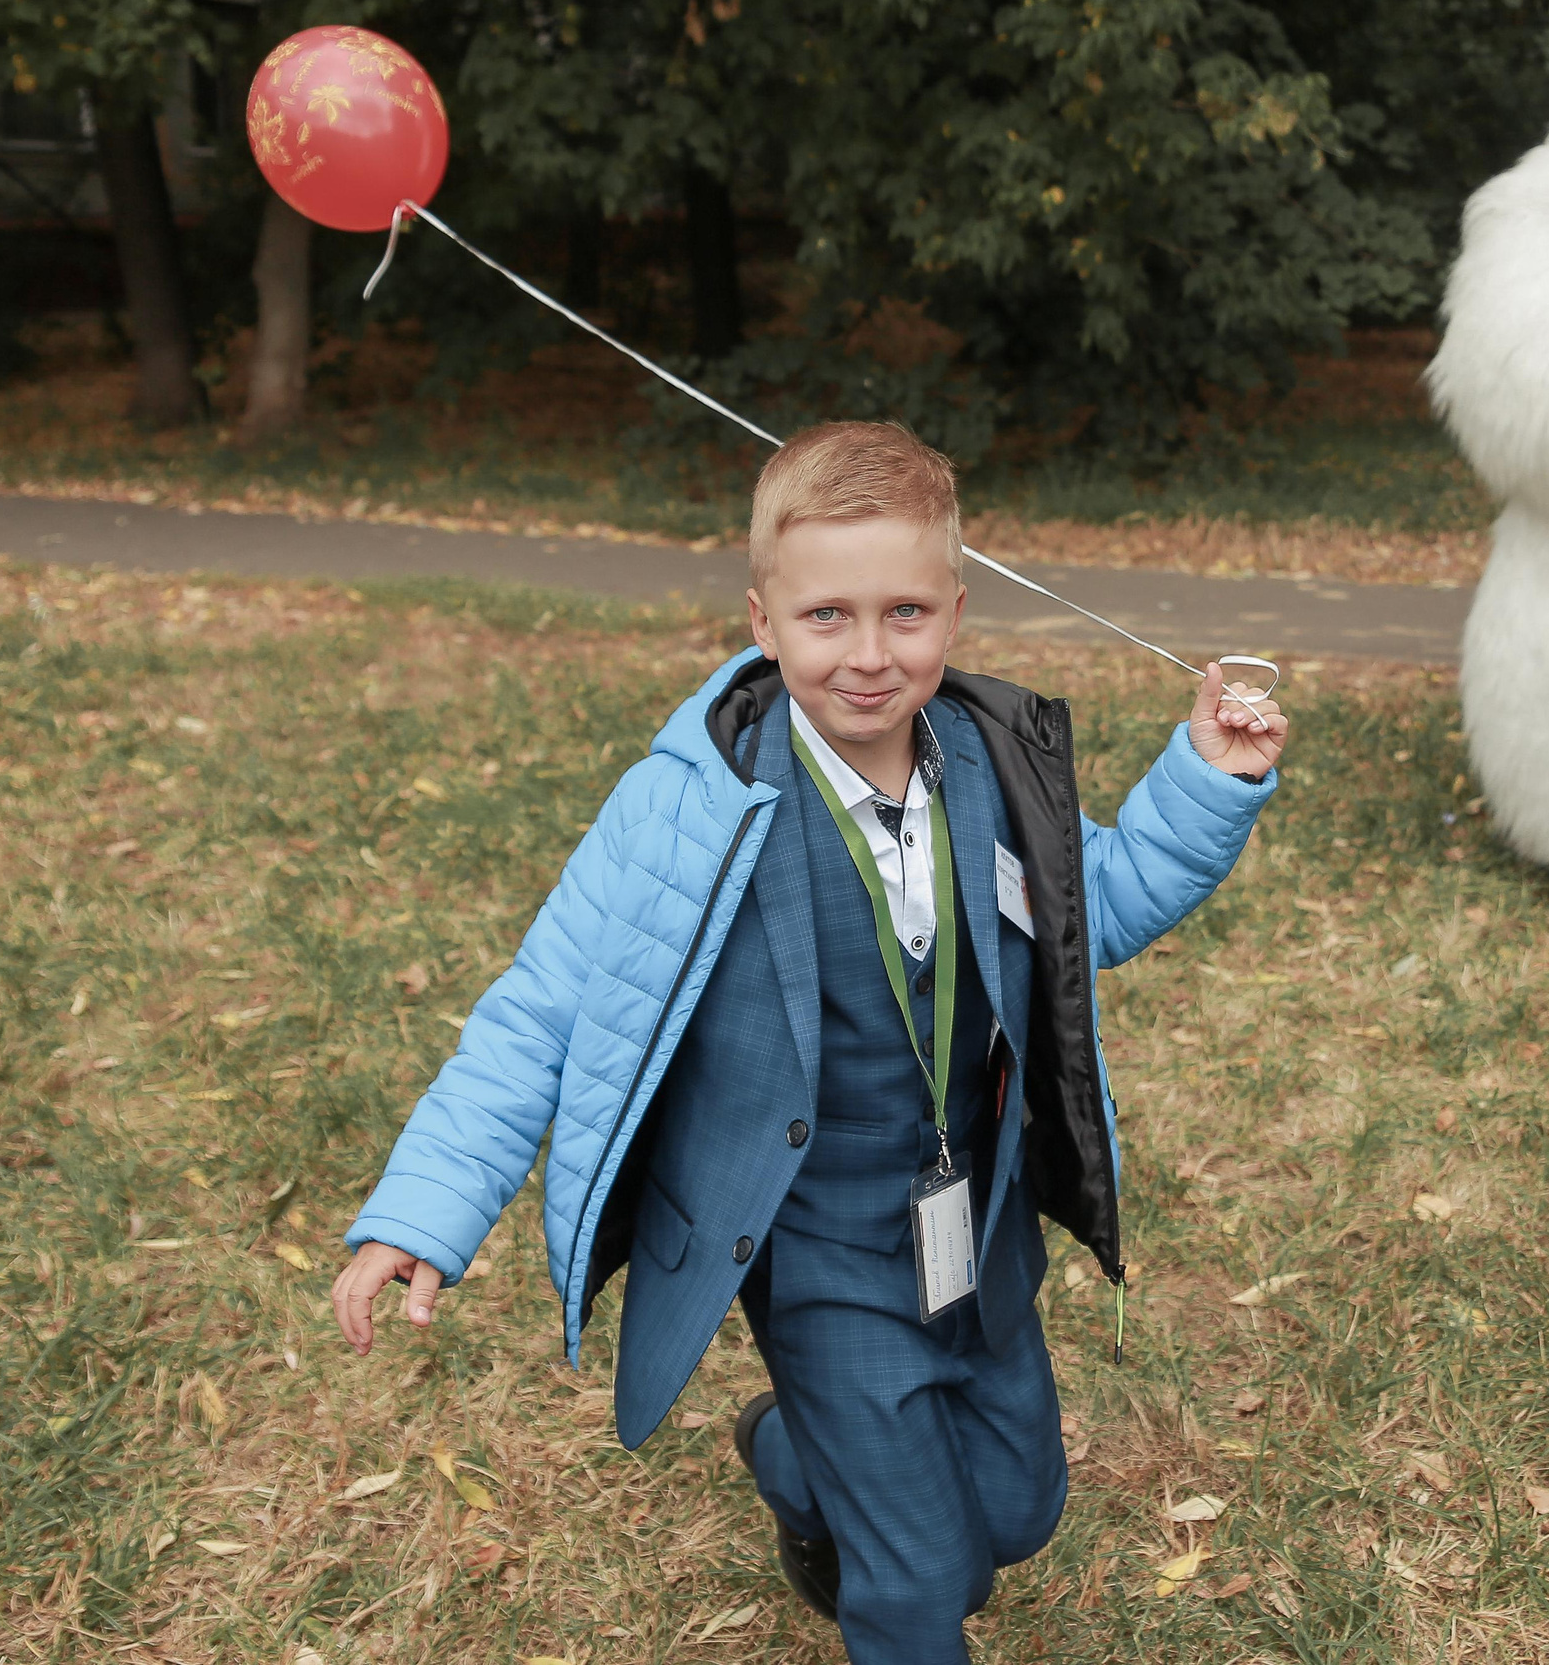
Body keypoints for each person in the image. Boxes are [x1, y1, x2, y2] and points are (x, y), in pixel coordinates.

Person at [328, 421, 1287, 1662]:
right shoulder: (688, 805)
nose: (870, 656)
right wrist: (426, 1207)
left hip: (972, 1222)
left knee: (1014, 1509)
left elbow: (1090, 910)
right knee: (920, 1574)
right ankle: (857, 1492)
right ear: (763, 620)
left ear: (954, 608)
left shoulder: (992, 770)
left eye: (904, 614)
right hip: (816, 1239)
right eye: (826, 617)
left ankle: (792, 1453)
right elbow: (547, 1006)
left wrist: (1206, 779)